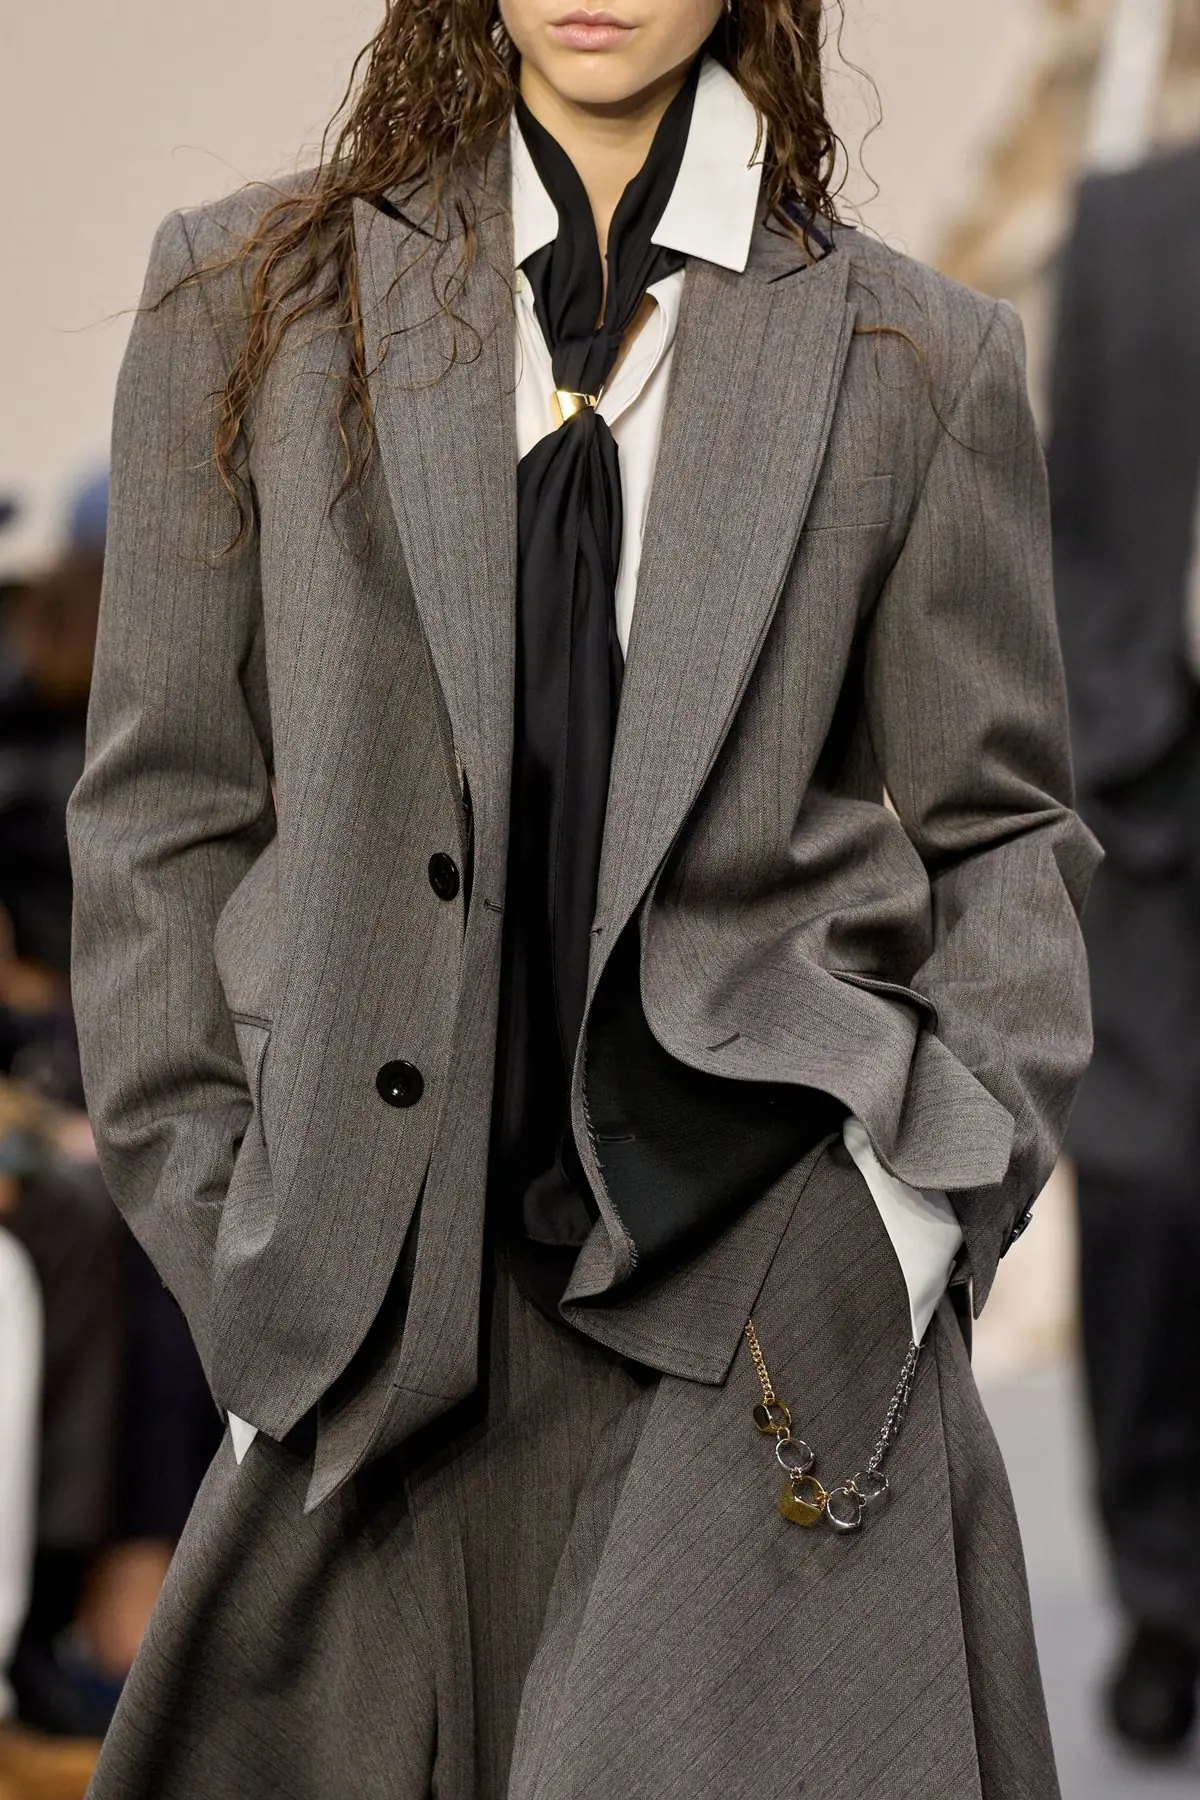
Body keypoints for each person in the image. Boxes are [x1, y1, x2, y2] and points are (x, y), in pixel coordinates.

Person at [68, 0, 1099, 1793]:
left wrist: (916, 1211)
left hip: (760, 1280)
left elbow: (1003, 829)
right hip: (366, 1301)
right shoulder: (251, 300)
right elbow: (163, 808)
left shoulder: (911, 354)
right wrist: (232, 1237)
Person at [1049, 138, 1200, 1756]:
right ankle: (1167, 1592)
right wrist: (1104, 721)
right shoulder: (1125, 221)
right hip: (1163, 785)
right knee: (1147, 1189)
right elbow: (1068, 504)